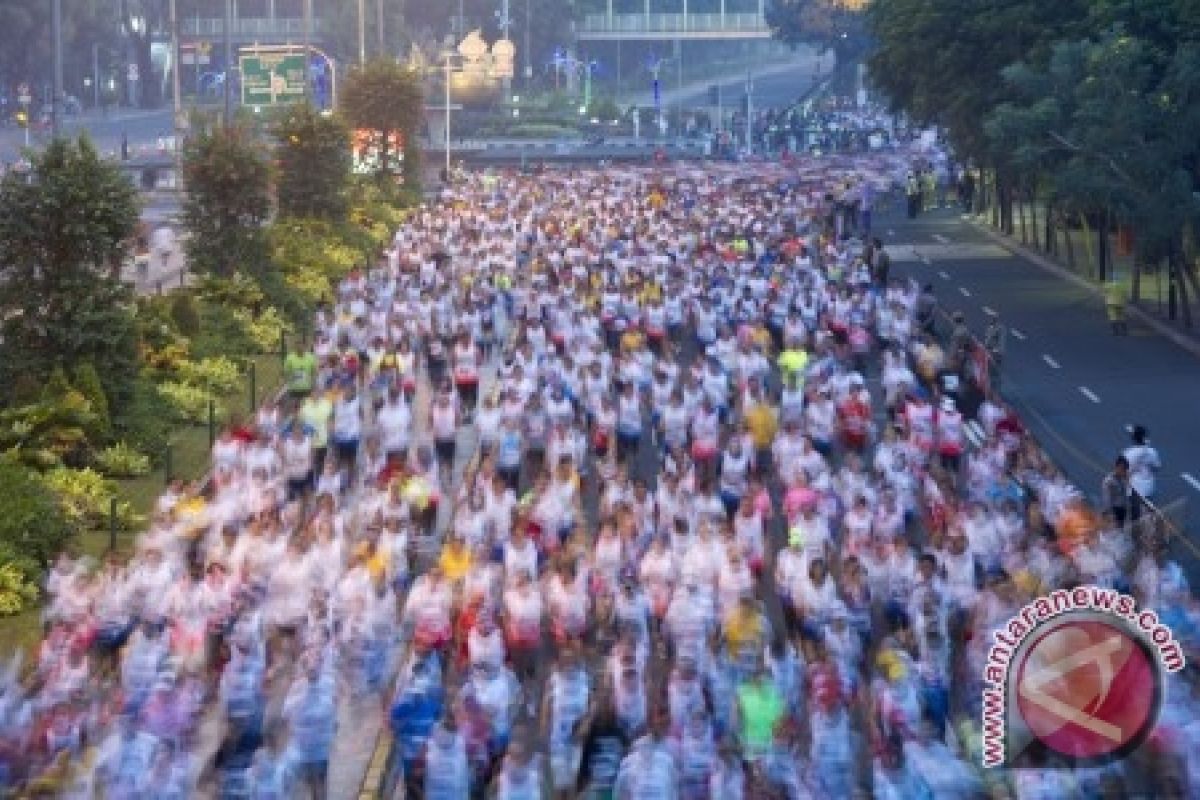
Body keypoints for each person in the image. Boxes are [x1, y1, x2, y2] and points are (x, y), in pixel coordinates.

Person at [1123, 425, 1161, 520]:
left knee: (1135, 515)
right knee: (1148, 510)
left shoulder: (1128, 453)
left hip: (1134, 488)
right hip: (1148, 486)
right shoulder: (1152, 452)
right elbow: (1157, 467)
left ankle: (1137, 532)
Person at [1101, 455, 1132, 528]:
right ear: (1117, 467)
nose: (1124, 471)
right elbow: (1107, 499)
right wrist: (1110, 515)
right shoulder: (1109, 481)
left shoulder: (1123, 479)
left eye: (1125, 469)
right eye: (1123, 469)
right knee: (1112, 535)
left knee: (1119, 533)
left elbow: (1126, 495)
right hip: (1113, 511)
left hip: (1122, 511)